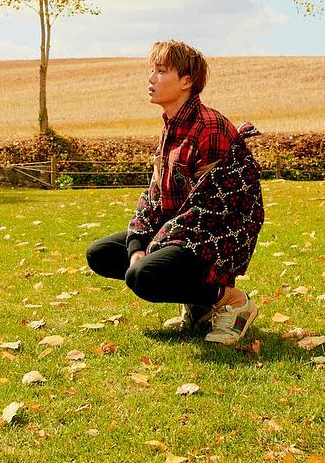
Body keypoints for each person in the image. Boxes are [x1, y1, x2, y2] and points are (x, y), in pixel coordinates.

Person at [85, 40, 264, 344]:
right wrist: (138, 245)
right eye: (151, 70)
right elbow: (154, 196)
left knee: (142, 276)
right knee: (101, 254)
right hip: (182, 232)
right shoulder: (171, 127)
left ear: (186, 81)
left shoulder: (211, 127)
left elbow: (214, 209)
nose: (150, 78)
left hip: (217, 236)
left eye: (161, 71)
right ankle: (200, 306)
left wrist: (156, 246)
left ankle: (232, 301)